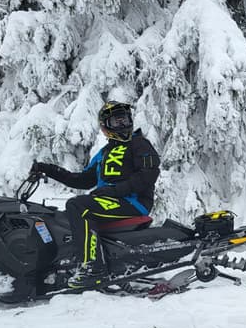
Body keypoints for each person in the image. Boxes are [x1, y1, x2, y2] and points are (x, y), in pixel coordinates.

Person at [31, 101, 161, 288]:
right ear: (105, 126)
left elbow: (148, 175)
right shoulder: (103, 154)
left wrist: (114, 191)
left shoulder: (139, 144)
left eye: (124, 120)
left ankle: (93, 269)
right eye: (116, 121)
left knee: (78, 206)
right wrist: (48, 169)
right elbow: (82, 180)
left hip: (133, 202)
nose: (122, 125)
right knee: (64, 216)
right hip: (110, 200)